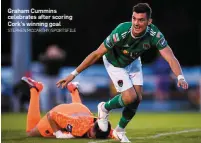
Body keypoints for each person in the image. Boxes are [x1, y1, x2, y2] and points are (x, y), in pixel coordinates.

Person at [56, 3, 188, 142]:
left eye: (141, 20)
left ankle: (119, 130)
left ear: (149, 22)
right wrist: (73, 74)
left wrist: (180, 77)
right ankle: (104, 108)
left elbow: (170, 57)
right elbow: (96, 54)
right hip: (115, 63)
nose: (136, 23)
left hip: (134, 62)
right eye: (134, 18)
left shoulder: (154, 34)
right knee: (130, 97)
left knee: (137, 99)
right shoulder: (121, 31)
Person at [20, 76, 112, 139]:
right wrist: (59, 134)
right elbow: (51, 115)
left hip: (80, 108)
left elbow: (111, 132)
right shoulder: (78, 128)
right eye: (94, 136)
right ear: (92, 129)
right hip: (59, 113)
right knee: (30, 132)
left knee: (78, 114)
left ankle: (73, 89)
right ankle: (35, 89)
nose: (92, 138)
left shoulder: (103, 127)